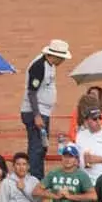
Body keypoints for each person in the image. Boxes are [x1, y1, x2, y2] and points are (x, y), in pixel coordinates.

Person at [21, 40, 70, 179]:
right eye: (62, 58)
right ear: (55, 55)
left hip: (43, 111)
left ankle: (39, 177)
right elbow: (31, 92)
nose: (63, 61)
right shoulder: (39, 66)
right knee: (36, 149)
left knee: (42, 148)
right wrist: (37, 115)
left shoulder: (50, 65)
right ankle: (35, 180)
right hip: (36, 112)